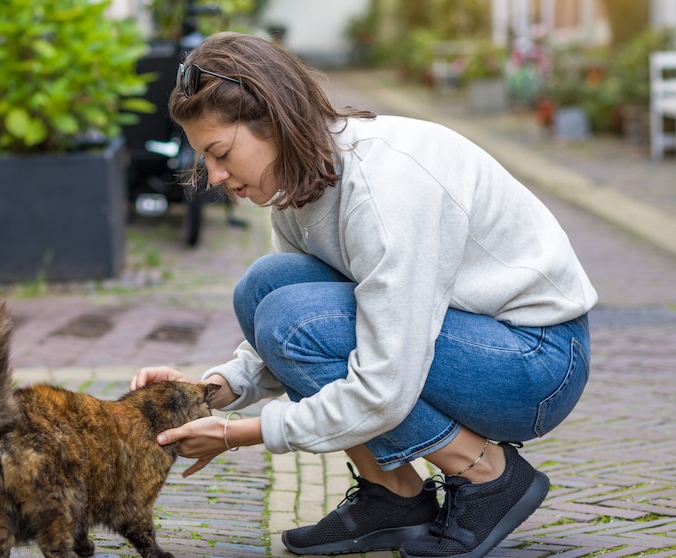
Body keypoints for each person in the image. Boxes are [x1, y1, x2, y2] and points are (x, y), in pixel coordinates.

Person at [130, 31, 596, 558]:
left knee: (292, 316)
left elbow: (383, 384)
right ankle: (393, 495)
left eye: (220, 153)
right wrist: (208, 392)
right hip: (466, 339)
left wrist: (238, 434)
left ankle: (486, 474)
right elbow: (287, 335)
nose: (214, 177)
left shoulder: (384, 186)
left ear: (274, 121)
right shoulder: (294, 181)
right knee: (265, 287)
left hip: (537, 362)